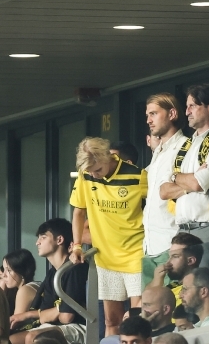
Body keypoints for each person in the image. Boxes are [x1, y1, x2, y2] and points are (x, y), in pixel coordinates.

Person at [160, 84, 209, 288]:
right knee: (186, 292)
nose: (186, 111)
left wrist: (182, 179)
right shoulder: (188, 145)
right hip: (184, 230)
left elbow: (198, 183)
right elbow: (164, 190)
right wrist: (182, 177)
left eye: (192, 106)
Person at [70, 137, 147, 337]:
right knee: (111, 320)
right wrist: (77, 245)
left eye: (97, 170)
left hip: (135, 255)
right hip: (105, 258)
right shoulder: (85, 175)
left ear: (108, 157)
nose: (94, 175)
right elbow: (79, 212)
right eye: (90, 172)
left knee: (137, 319)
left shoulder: (138, 176)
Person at [9, 218, 88, 344]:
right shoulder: (52, 273)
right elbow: (43, 314)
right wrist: (56, 311)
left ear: (59, 240)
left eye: (43, 237)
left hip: (80, 326)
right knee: (11, 340)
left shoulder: (75, 268)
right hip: (56, 325)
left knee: (33, 338)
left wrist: (53, 313)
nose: (37, 243)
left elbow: (66, 317)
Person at [143, 92, 188, 289]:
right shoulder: (159, 151)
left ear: (172, 114)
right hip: (149, 245)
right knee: (150, 304)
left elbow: (194, 185)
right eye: (147, 115)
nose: (148, 120)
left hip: (170, 242)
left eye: (153, 114)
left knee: (172, 303)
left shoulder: (185, 146)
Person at [100, 286, 176, 344]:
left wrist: (143, 325)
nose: (142, 310)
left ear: (165, 309)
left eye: (147, 305)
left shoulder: (174, 336)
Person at [2, 249, 39, 316]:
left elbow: (15, 321)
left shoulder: (25, 290)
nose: (4, 275)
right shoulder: (34, 285)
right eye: (4, 269)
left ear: (21, 271)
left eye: (9, 270)